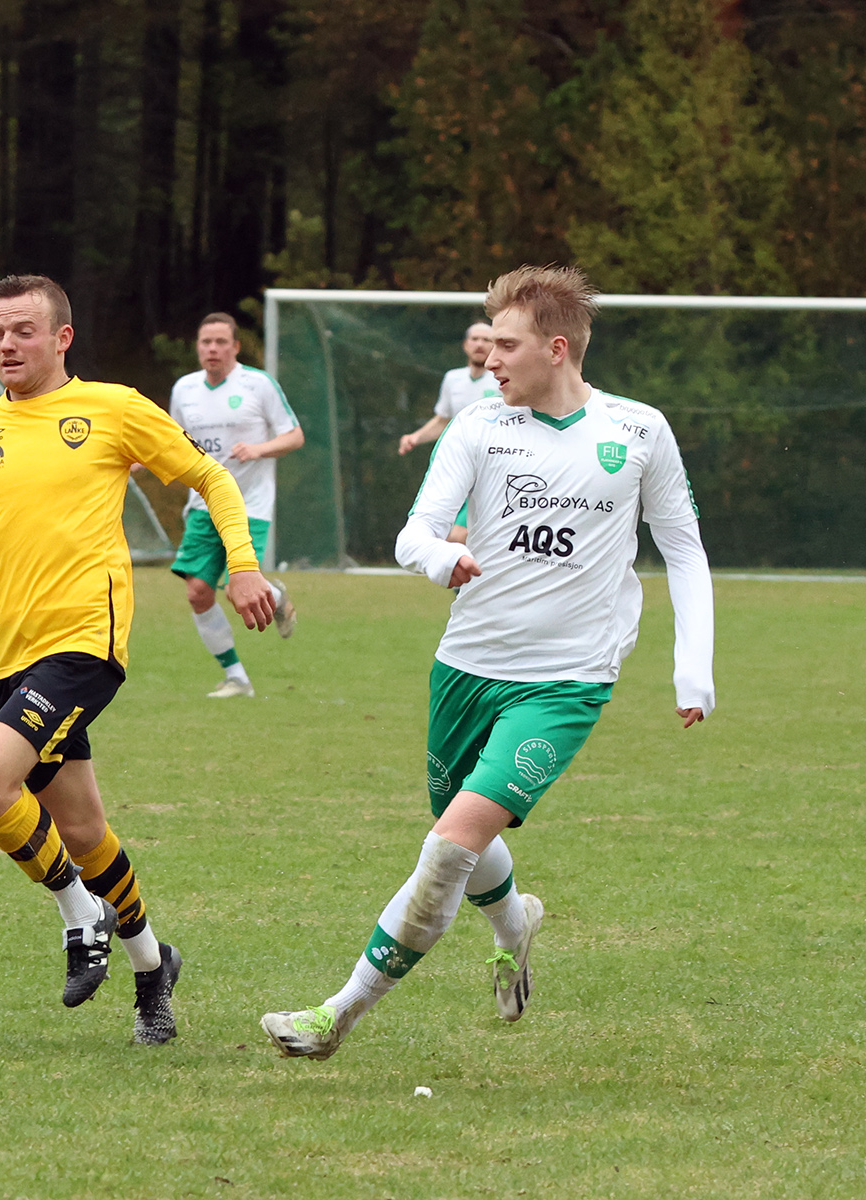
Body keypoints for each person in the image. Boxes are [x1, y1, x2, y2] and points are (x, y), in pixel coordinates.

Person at [258, 265, 714, 1061]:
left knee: (449, 847)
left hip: (567, 680)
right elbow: (415, 533)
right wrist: (441, 559)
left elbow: (683, 547)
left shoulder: (639, 430)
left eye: (506, 345)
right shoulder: (478, 425)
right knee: (459, 829)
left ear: (556, 348)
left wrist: (692, 665)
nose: (489, 359)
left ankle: (336, 1013)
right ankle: (514, 925)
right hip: (466, 667)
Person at [0, 275, 276, 1044]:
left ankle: (82, 916)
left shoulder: (113, 409)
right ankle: (153, 967)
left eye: (23, 331)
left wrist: (241, 565)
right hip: (7, 654)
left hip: (84, 643)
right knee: (81, 830)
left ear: (61, 337)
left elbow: (210, 476)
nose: (7, 345)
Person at [166, 312, 302, 698]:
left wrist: (259, 449)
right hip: (202, 506)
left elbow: (294, 436)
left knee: (236, 588)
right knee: (197, 592)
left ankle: (276, 596)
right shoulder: (185, 389)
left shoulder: (258, 385)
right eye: (205, 342)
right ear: (197, 347)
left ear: (236, 347)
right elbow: (173, 442)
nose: (212, 349)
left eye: (221, 342)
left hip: (248, 506)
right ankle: (237, 677)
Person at [398, 321, 502, 546]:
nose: (480, 344)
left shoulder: (502, 380)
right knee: (443, 535)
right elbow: (443, 420)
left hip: (489, 470)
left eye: (487, 340)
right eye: (475, 339)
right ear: (465, 345)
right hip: (457, 466)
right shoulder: (453, 378)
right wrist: (415, 438)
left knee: (458, 536)